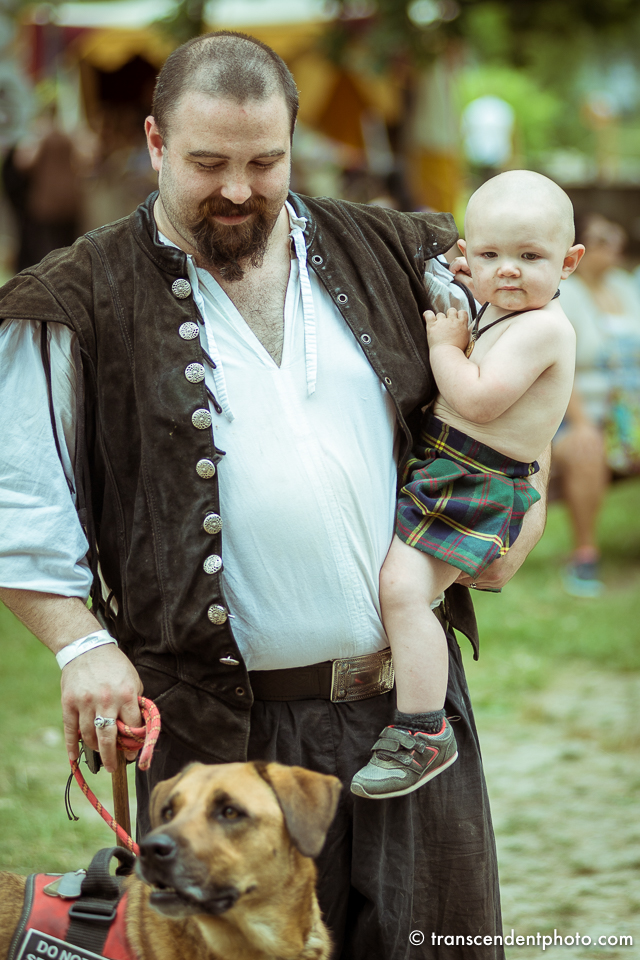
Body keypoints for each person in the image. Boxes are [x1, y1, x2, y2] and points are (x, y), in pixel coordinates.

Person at [0, 32, 549, 960]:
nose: (238, 189)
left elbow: (530, 385)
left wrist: (518, 515)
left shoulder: (402, 252)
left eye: (264, 162)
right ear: (156, 143)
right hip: (218, 741)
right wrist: (80, 645)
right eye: (208, 163)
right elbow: (19, 509)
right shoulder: (72, 300)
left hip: (412, 716)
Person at [351, 172, 583, 800]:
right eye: (489, 255)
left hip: (475, 480)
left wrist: (444, 348)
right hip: (449, 470)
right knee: (401, 586)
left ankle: (423, 728)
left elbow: (478, 400)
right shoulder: (506, 307)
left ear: (568, 262)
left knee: (404, 591)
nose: (507, 270)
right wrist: (469, 283)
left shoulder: (544, 328)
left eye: (529, 256)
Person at [553, 213, 640, 596]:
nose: (615, 245)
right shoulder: (563, 294)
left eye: (615, 236)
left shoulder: (624, 284)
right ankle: (584, 555)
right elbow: (561, 369)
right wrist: (583, 423)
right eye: (603, 239)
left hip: (630, 416)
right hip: (580, 414)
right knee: (586, 448)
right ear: (579, 251)